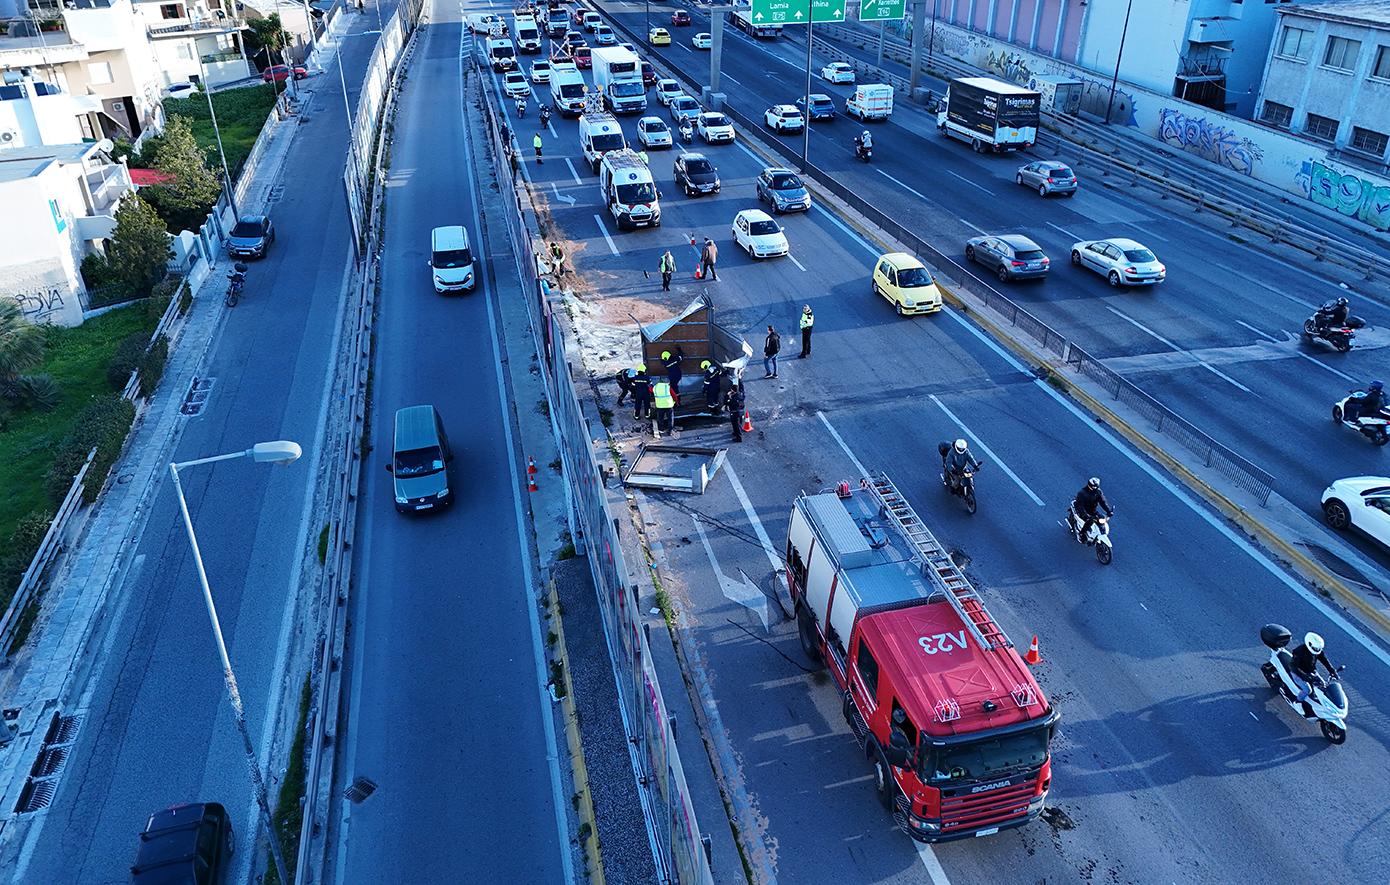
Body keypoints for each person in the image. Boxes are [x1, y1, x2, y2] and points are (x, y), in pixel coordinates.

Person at [1289, 631, 1336, 716]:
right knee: (1307, 689)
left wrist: (1332, 670)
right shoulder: (1299, 651)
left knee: (1323, 684)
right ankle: (1297, 702)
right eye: (1316, 649)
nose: (1317, 650)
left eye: (1318, 649)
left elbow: (1324, 660)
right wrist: (1304, 676)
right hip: (1298, 673)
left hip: (1311, 672)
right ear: (1309, 644)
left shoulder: (1317, 650)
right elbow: (1293, 667)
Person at [725, 377, 746, 442]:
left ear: (732, 390)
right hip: (741, 411)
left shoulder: (733, 399)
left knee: (735, 425)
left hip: (735, 413)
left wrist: (727, 396)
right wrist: (740, 380)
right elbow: (742, 387)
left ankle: (739, 438)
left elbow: (725, 402)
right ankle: (736, 432)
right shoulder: (741, 394)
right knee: (739, 423)